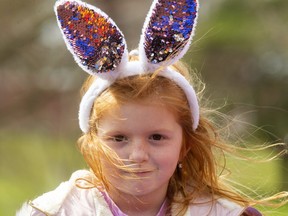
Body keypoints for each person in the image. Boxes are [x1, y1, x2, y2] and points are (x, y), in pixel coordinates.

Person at [17, 0, 287, 215]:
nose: (137, 154)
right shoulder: (55, 211)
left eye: (157, 137)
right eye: (118, 138)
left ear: (185, 145)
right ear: (92, 143)